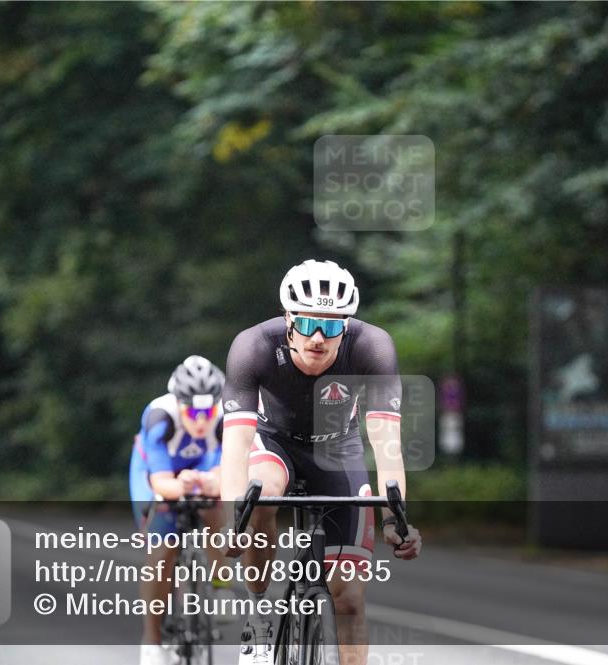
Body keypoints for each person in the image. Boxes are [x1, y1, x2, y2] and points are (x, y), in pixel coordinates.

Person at [220, 259, 423, 665]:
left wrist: (394, 519)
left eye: (331, 326)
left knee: (348, 600)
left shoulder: (372, 346)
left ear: (345, 326)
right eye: (308, 323)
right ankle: (258, 615)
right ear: (288, 320)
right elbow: (237, 443)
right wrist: (232, 521)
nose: (318, 337)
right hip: (272, 443)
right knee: (260, 496)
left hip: (336, 452)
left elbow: (386, 443)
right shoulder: (253, 346)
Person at [129, 355, 233, 665]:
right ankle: (152, 640)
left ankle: (221, 583)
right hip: (156, 472)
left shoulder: (226, 416)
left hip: (201, 468)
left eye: (208, 411)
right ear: (179, 403)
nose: (201, 420)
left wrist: (207, 482)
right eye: (193, 411)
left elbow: (227, 477)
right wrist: (188, 485)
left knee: (216, 510)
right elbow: (161, 484)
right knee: (162, 551)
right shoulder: (160, 417)